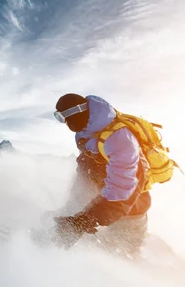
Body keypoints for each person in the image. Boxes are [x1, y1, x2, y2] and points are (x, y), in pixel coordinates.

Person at [48, 93, 152, 257]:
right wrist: (69, 212)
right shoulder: (87, 135)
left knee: (121, 262)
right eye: (59, 118)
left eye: (63, 117)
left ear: (77, 113)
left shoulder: (120, 139)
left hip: (129, 214)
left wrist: (82, 221)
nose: (65, 123)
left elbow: (122, 192)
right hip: (101, 208)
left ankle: (161, 277)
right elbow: (85, 178)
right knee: (87, 250)